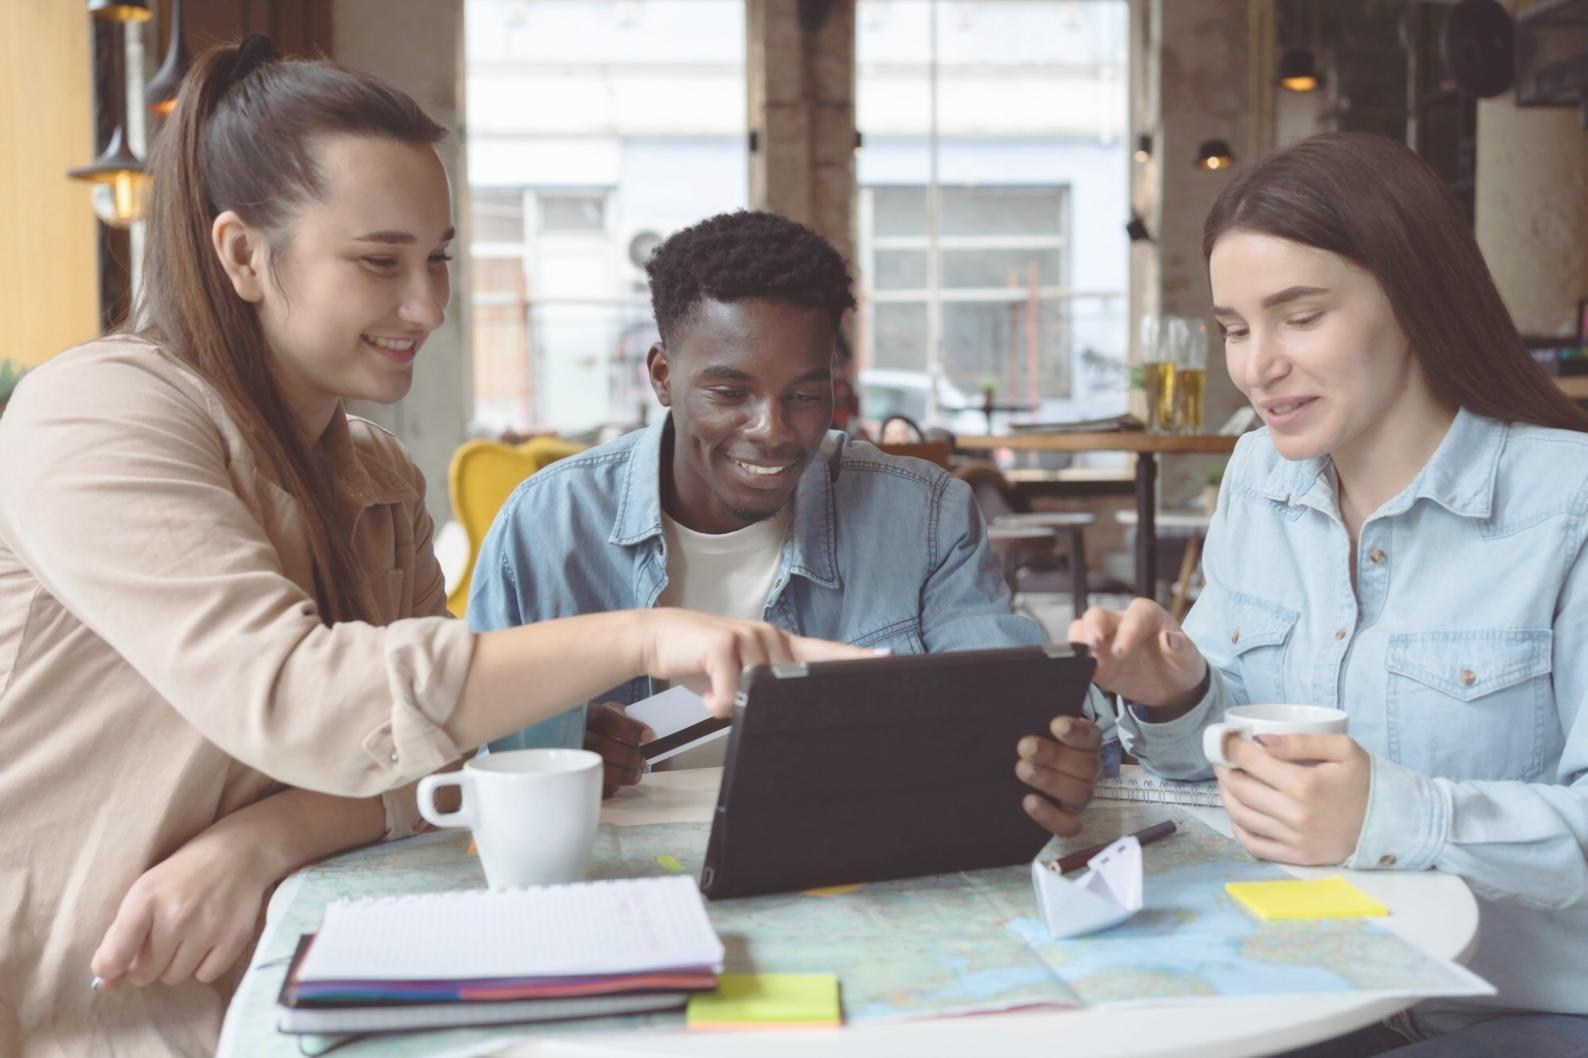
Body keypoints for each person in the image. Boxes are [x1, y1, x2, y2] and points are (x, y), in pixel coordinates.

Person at [0, 40, 863, 1058]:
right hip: (84, 1001)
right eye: (379, 262)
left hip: (294, 967)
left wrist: (267, 836)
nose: (428, 305)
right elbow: (310, 700)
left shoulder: (371, 468)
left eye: (440, 257)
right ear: (241, 254)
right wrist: (645, 633)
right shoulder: (98, 411)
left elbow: (425, 750)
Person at [1068, 132, 1588, 1055]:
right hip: (1299, 976)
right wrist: (1177, 692)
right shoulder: (1258, 477)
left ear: (1415, 300)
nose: (1255, 366)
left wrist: (1395, 816)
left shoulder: (1569, 505)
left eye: (1299, 317)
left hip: (1514, 1010)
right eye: (1234, 328)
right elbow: (1215, 763)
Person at [469, 209, 1107, 835]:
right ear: (663, 375)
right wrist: (549, 758)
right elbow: (463, 754)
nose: (772, 431)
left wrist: (1059, 754)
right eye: (729, 392)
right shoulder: (547, 525)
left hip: (853, 876)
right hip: (618, 874)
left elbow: (1018, 707)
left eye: (805, 395)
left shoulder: (922, 517)